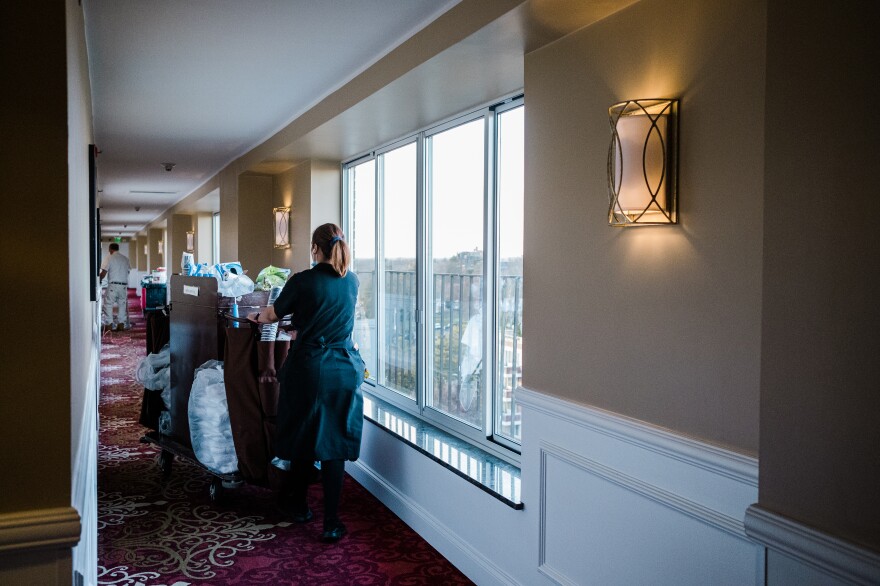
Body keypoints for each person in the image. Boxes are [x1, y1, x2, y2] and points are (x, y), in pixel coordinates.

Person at [248, 223, 365, 543]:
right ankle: (331, 522)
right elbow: (330, 319)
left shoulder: (302, 280)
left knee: (302, 434)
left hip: (309, 369)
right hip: (342, 369)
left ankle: (297, 505)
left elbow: (273, 315)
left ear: (315, 249)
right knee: (333, 444)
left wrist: (256, 317)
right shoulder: (351, 281)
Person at [98, 242, 131, 331]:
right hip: (123, 286)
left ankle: (109, 324)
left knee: (108, 304)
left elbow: (103, 272)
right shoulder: (125, 259)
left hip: (113, 285)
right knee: (122, 304)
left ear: (110, 249)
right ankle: (121, 324)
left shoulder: (109, 258)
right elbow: (128, 272)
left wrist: (98, 280)